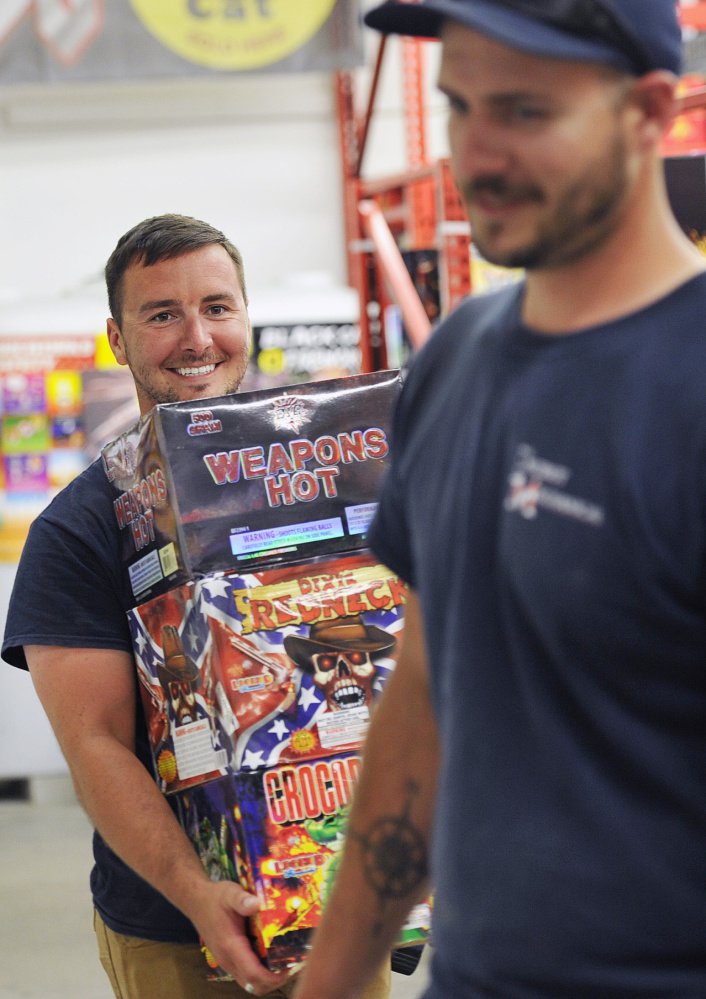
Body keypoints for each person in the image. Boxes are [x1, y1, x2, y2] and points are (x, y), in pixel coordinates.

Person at [293, 2, 706, 997]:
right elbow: (427, 692)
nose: (475, 154)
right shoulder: (457, 360)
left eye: (524, 112)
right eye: (457, 105)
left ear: (648, 111)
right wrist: (338, 974)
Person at [1, 214, 391, 999]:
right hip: (175, 924)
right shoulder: (79, 528)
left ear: (247, 319)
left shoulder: (321, 475)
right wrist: (196, 894)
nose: (196, 337)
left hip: (333, 898)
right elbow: (97, 745)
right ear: (117, 337)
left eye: (217, 307)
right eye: (161, 313)